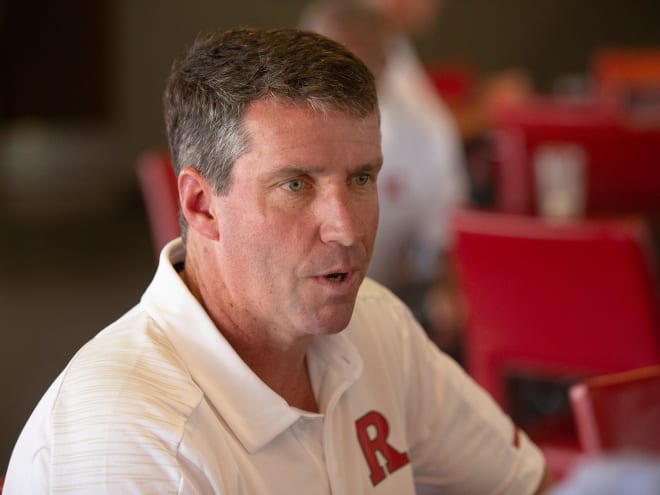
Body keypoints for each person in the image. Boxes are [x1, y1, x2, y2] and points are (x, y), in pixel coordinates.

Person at [4, 27, 553, 494]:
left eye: (361, 178)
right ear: (202, 206)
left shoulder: (375, 324)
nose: (346, 229)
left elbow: (524, 483)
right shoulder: (132, 442)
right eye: (295, 184)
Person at [300, 1, 469, 355]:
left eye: (359, 63)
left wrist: (448, 291)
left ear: (388, 63)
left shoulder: (423, 130)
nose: (339, 80)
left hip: (381, 308)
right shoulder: (271, 136)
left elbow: (444, 237)